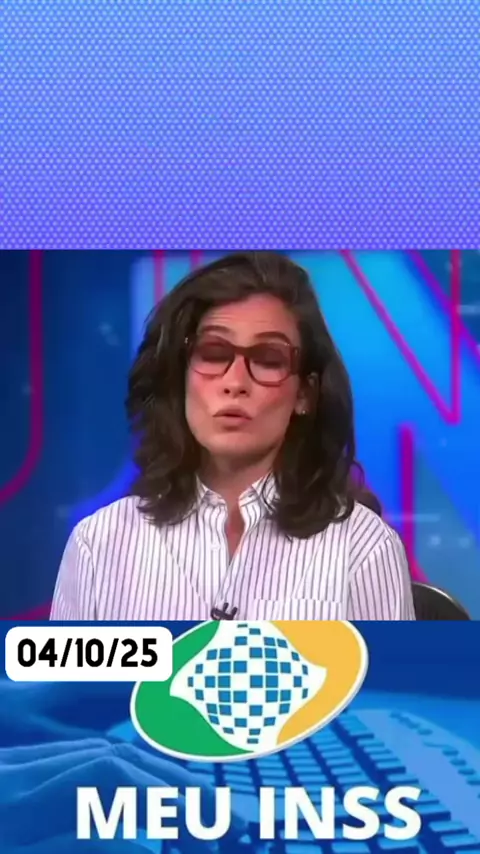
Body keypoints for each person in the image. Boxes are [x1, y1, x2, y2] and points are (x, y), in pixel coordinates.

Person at [51, 251, 415, 621]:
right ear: (179, 378)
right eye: (213, 353)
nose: (236, 383)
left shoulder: (363, 547)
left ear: (304, 394)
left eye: (268, 360)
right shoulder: (98, 545)